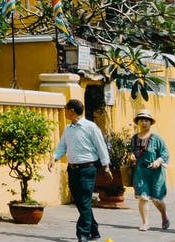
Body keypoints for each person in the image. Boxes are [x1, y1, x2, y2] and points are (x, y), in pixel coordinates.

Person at [49, 98, 110, 242]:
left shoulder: (91, 127)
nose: (64, 112)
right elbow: (62, 146)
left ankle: (82, 233)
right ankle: (94, 230)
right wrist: (54, 158)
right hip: (73, 170)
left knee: (84, 200)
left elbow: (101, 146)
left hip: (87, 169)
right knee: (81, 201)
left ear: (72, 111)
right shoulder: (68, 129)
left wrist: (106, 166)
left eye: (66, 109)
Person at [128, 109, 170, 231]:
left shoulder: (157, 138)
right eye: (141, 120)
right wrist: (130, 155)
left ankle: (164, 215)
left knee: (157, 200)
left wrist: (158, 161)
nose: (144, 122)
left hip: (156, 173)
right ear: (138, 122)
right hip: (141, 172)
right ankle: (145, 222)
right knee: (143, 197)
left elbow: (165, 153)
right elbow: (131, 151)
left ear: (150, 122)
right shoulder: (134, 138)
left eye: (146, 120)